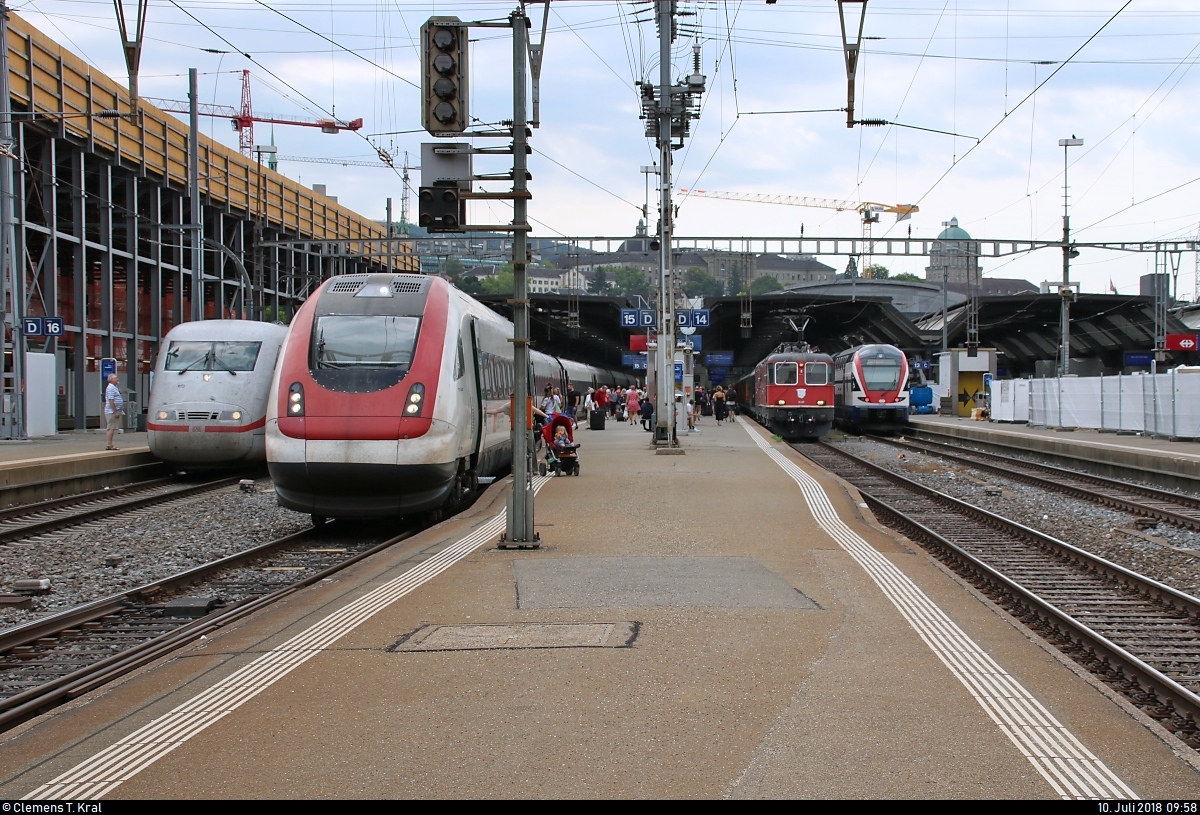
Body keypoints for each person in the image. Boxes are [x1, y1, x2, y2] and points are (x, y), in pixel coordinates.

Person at [104, 373, 124, 450]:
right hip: (111, 412)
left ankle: (110, 444)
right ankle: (109, 445)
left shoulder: (113, 388)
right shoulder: (111, 388)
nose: (117, 379)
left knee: (112, 427)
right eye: (116, 378)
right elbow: (111, 400)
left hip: (113, 411)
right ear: (111, 380)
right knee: (111, 428)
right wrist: (115, 411)